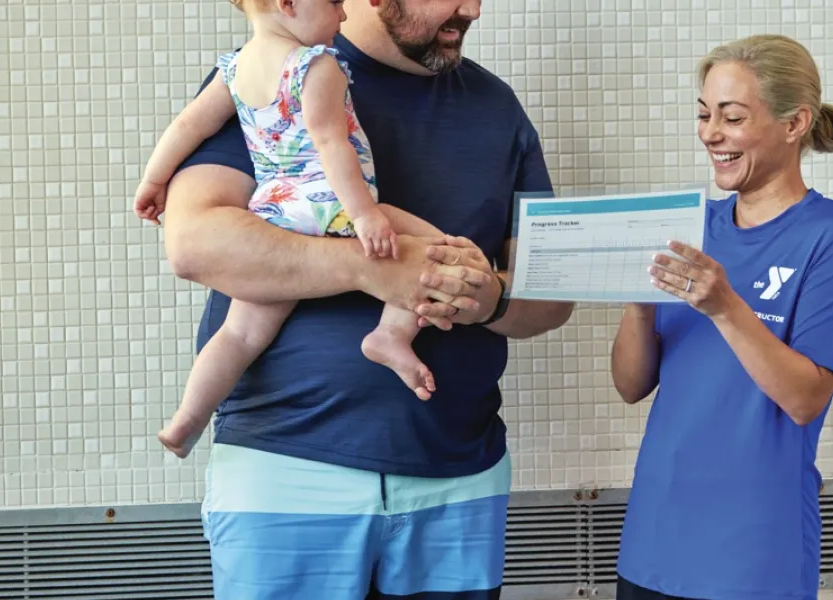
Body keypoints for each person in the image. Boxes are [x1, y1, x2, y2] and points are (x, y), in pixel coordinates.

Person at [158, 0, 574, 597]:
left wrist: (492, 300)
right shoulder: (276, 70)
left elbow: (552, 299)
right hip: (288, 472)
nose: (473, 9)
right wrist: (372, 268)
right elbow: (195, 245)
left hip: (460, 474)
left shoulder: (497, 108)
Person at [609, 34, 833, 600]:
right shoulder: (689, 225)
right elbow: (631, 385)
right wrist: (634, 298)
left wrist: (725, 305)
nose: (711, 134)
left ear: (794, 123)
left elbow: (805, 398)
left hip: (752, 553)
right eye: (705, 115)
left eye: (732, 117)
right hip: (652, 539)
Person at [133, 0, 451, 460]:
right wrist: (364, 214)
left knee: (240, 334)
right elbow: (330, 144)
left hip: (275, 208)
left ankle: (186, 420)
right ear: (287, 4)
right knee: (433, 250)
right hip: (329, 203)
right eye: (335, 4)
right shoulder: (316, 65)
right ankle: (391, 335)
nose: (343, 16)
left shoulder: (234, 68)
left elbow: (188, 126)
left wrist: (153, 181)